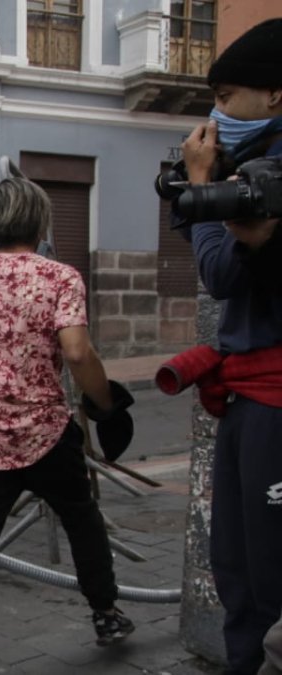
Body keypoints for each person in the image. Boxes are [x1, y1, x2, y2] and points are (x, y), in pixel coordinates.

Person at [0, 177, 134, 675]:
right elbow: (78, 352)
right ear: (38, 221)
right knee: (82, 521)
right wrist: (104, 401)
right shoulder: (59, 277)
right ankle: (105, 614)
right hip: (45, 433)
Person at [178, 18, 282, 675]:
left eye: (228, 95)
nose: (217, 112)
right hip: (248, 396)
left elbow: (221, 273)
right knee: (236, 559)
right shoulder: (255, 160)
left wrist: (204, 194)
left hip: (273, 399)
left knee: (267, 565)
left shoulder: (269, 174)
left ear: (274, 94)